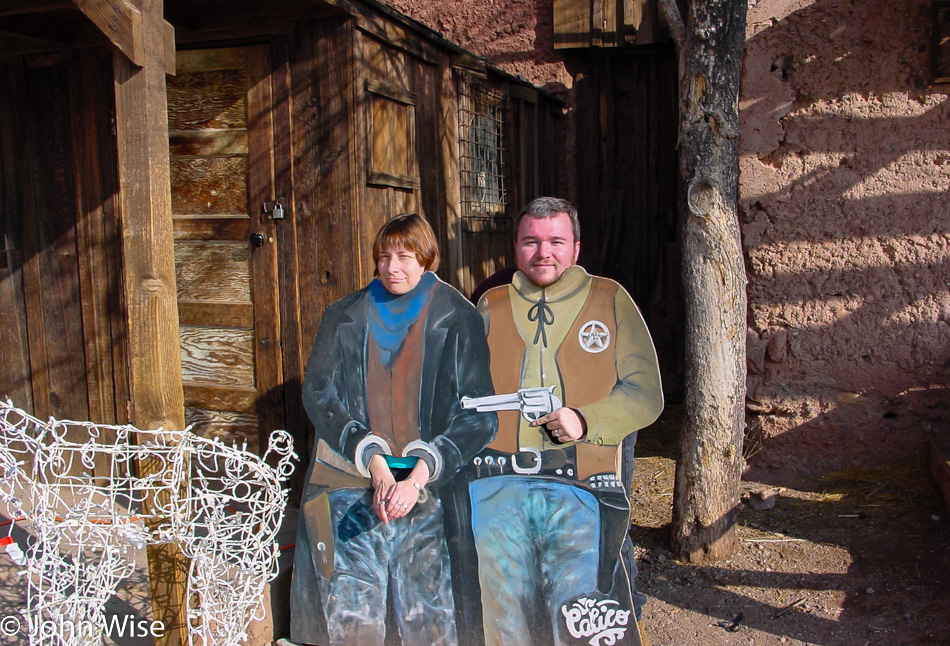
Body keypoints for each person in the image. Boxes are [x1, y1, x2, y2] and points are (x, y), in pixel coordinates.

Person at [289, 213, 496, 646]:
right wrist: (372, 458)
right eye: (384, 257)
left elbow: (479, 413)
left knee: (428, 616)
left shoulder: (457, 317)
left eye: (404, 256)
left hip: (430, 491)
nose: (392, 267)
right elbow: (319, 393)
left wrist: (419, 474)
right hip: (350, 482)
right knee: (351, 614)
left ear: (426, 259)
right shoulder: (342, 315)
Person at [470, 197, 663, 646]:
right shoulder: (490, 303)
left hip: (585, 479)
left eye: (556, 241)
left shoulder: (611, 300)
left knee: (584, 604)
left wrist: (586, 419)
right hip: (499, 483)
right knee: (503, 607)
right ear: (514, 247)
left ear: (576, 247)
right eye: (531, 242)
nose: (544, 253)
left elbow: (646, 392)